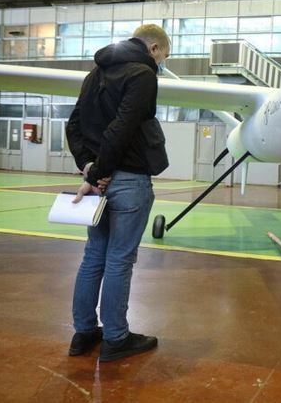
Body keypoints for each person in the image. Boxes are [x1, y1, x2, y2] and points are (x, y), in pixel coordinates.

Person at [66, 24, 170, 362]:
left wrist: (88, 167)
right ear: (154, 48)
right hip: (127, 180)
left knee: (93, 256)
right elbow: (121, 128)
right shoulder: (142, 74)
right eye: (164, 57)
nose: (161, 64)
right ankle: (115, 338)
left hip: (98, 179)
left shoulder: (95, 74)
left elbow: (74, 125)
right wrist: (101, 172)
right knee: (119, 260)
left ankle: (83, 333)